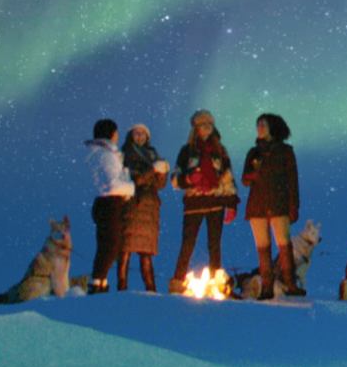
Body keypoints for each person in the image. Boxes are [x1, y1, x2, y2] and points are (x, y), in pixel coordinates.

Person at [169, 110, 239, 293]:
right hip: (194, 202)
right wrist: (189, 179)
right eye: (202, 125)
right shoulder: (187, 151)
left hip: (215, 201)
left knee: (214, 244)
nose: (206, 128)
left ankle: (216, 284)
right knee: (188, 243)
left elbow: (228, 177)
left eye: (209, 125)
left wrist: (231, 204)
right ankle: (178, 282)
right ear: (195, 129)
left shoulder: (220, 151)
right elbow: (175, 178)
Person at [241, 112, 300, 299]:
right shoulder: (254, 152)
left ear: (273, 128)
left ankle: (290, 284)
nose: (259, 128)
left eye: (263, 125)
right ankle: (267, 287)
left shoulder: (285, 151)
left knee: (284, 245)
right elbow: (245, 179)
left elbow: (292, 180)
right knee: (263, 247)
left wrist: (293, 206)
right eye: (258, 124)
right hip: (257, 205)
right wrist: (254, 174)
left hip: (279, 203)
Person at [84, 118, 135, 293]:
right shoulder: (105, 155)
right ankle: (97, 282)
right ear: (111, 133)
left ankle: (100, 281)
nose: (118, 136)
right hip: (110, 203)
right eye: (116, 132)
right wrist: (131, 187)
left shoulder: (103, 153)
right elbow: (112, 184)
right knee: (110, 245)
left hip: (107, 203)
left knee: (107, 244)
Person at [117, 124, 167, 292]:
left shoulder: (153, 154)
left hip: (149, 208)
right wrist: (152, 170)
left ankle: (151, 289)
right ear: (131, 135)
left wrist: (162, 173)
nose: (139, 137)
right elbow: (132, 179)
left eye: (143, 134)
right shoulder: (123, 155)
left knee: (146, 254)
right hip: (131, 206)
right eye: (136, 133)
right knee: (125, 250)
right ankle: (121, 288)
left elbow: (160, 185)